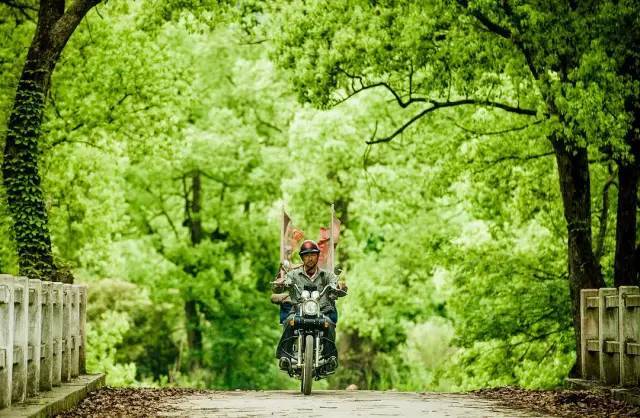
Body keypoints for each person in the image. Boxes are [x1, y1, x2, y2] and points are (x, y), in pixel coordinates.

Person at [273, 240, 347, 372]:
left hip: (322, 311)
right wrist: (280, 283)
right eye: (306, 255)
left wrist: (340, 287)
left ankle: (330, 358)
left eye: (313, 255)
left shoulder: (326, 275)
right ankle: (285, 357)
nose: (310, 258)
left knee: (328, 324)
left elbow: (336, 284)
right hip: (298, 310)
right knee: (289, 322)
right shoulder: (293, 274)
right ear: (302, 258)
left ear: (318, 256)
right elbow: (280, 286)